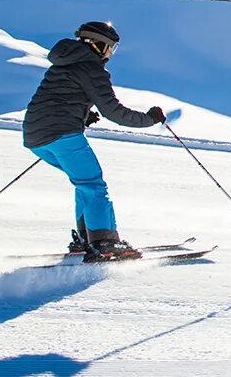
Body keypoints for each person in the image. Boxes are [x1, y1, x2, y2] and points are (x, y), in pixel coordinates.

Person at [22, 21, 166, 260]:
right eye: (109, 48)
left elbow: (57, 97)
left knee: (83, 183)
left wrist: (82, 114)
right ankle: (104, 242)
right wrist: (149, 119)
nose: (110, 54)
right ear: (97, 45)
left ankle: (85, 239)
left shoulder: (63, 63)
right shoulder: (91, 68)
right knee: (93, 185)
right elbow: (114, 112)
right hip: (62, 134)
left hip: (35, 135)